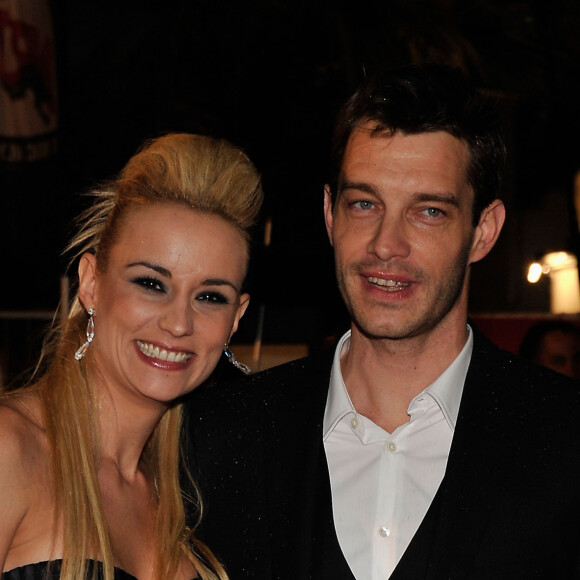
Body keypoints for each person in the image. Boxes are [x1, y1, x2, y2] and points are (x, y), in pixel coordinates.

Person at [184, 64, 580, 579]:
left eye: (429, 211)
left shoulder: (566, 439)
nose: (385, 244)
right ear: (330, 214)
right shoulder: (222, 438)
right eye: (365, 204)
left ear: (484, 230)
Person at [0, 133, 262, 580]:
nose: (179, 323)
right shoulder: (11, 448)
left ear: (236, 318)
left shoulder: (189, 498)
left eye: (210, 296)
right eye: (151, 283)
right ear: (91, 283)